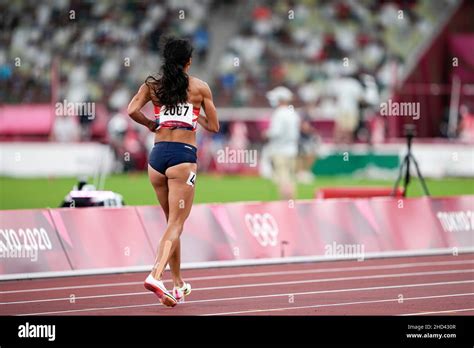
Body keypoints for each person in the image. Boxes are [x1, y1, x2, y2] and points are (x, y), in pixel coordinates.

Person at [127, 37, 219, 307]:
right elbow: (213, 126)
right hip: (182, 158)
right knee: (177, 224)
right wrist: (195, 112)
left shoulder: (153, 85)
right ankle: (156, 275)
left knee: (172, 224)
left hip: (156, 159)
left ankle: (177, 284)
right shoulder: (200, 88)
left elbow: (132, 109)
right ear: (188, 63)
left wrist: (149, 124)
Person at [264, 86, 300, 200]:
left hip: (280, 150)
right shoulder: (293, 113)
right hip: (292, 150)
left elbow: (276, 132)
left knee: (283, 178)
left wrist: (266, 134)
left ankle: (285, 202)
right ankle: (291, 202)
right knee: (290, 178)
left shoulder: (279, 113)